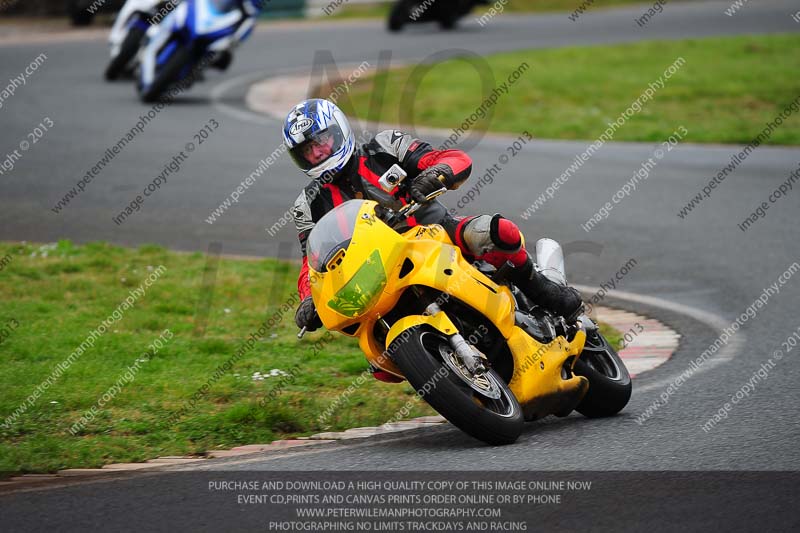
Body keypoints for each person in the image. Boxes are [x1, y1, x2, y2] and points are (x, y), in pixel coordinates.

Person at [284, 99, 583, 380]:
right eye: (307, 151)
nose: (318, 154)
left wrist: (437, 173)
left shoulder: (385, 146)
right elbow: (311, 264)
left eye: (321, 141)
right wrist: (308, 300)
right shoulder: (307, 205)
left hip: (437, 232)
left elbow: (454, 158)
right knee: (381, 365)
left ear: (339, 131)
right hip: (380, 270)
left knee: (497, 231)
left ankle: (542, 289)